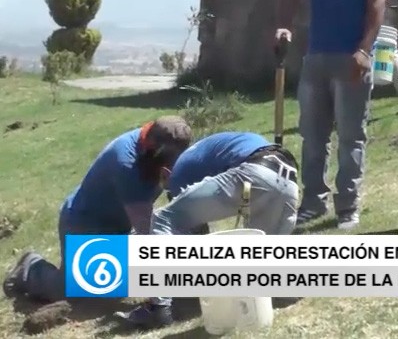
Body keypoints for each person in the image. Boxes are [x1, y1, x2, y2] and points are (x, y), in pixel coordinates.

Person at [274, 0, 389, 231]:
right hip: (317, 57)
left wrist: (364, 50)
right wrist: (283, 24)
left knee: (351, 136)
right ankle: (312, 202)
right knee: (313, 135)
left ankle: (348, 206)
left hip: (350, 57)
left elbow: (377, 4)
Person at [116, 131, 299, 328]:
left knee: (163, 219)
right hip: (289, 183)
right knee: (257, 253)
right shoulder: (210, 150)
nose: (171, 193)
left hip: (254, 172)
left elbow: (194, 233)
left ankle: (157, 307)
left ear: (165, 173)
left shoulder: (178, 173)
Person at [3, 117, 192, 304]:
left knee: (120, 280)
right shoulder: (126, 163)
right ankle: (30, 268)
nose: (173, 166)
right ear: (152, 147)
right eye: (168, 161)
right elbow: (145, 233)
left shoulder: (159, 149)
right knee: (77, 292)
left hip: (120, 223)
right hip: (84, 223)